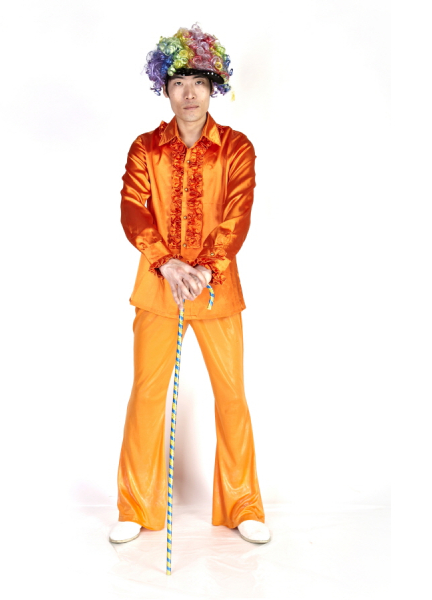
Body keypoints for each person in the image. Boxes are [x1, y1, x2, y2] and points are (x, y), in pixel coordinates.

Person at [110, 24, 270, 545]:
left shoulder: (237, 148)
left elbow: (238, 213)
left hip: (216, 288)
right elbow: (132, 208)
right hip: (158, 287)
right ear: (165, 87)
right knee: (147, 394)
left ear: (213, 86)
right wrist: (167, 264)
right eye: (179, 82)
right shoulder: (144, 148)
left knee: (232, 396)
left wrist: (202, 269)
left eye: (199, 81)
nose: (190, 93)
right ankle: (136, 506)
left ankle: (243, 504)